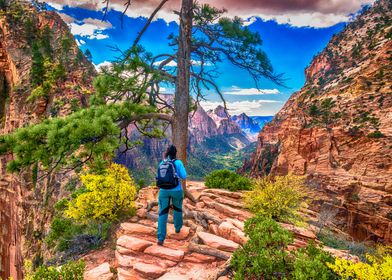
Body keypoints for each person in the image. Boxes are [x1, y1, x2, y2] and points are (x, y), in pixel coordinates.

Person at [156, 145, 186, 245]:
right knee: (177, 209)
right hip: (176, 190)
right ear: (175, 153)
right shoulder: (178, 162)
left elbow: (158, 176)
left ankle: (160, 238)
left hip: (163, 191)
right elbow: (184, 176)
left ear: (167, 153)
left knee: (162, 212)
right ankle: (177, 228)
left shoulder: (162, 162)